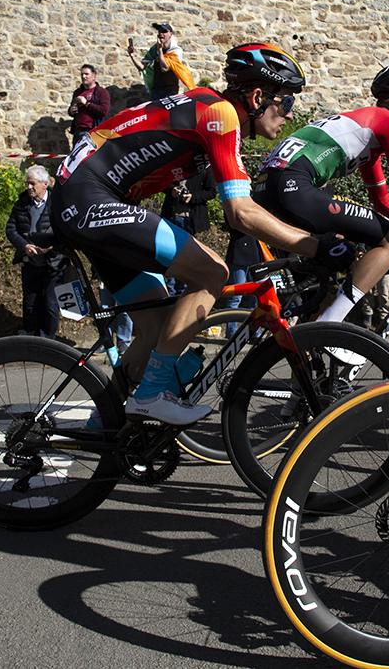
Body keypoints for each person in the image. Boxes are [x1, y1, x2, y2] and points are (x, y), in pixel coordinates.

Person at [51, 42, 354, 426]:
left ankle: (106, 426)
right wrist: (315, 247)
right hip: (88, 196)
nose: (288, 116)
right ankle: (150, 394)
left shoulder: (206, 106)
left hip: (80, 197)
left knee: (157, 326)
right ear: (259, 96)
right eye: (287, 103)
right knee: (212, 272)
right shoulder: (221, 114)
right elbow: (240, 213)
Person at [254, 65, 389, 325]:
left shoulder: (367, 128)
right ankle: (333, 323)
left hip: (267, 189)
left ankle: (312, 343)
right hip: (292, 186)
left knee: (316, 301)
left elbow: (383, 200)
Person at [5, 165, 67, 341]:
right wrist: (24, 245)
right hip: (30, 261)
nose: (29, 187)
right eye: (27, 183)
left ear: (45, 184)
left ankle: (48, 338)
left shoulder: (58, 201)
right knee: (30, 301)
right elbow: (11, 228)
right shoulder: (22, 203)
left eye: (32, 184)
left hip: (53, 262)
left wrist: (50, 246)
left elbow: (66, 228)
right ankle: (31, 336)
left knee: (50, 303)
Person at [161, 165, 216, 294]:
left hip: (191, 219)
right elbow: (161, 184)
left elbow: (211, 192)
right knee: (170, 254)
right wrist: (172, 190)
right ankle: (171, 291)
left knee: (188, 256)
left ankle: (183, 290)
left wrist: (193, 197)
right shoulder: (175, 162)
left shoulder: (205, 167)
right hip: (171, 217)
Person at [127, 22, 195, 100]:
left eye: (164, 31)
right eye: (160, 31)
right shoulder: (154, 49)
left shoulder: (176, 51)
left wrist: (160, 50)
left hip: (170, 90)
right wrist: (132, 56)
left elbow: (165, 68)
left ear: (170, 34)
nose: (161, 33)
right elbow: (142, 67)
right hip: (156, 90)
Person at [68, 64, 111, 148]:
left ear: (94, 76)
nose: (84, 76)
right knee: (78, 159)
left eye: (86, 74)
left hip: (93, 131)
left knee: (92, 159)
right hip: (78, 131)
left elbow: (104, 111)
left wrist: (86, 103)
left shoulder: (101, 92)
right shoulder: (77, 92)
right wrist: (71, 111)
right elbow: (71, 111)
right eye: (82, 74)